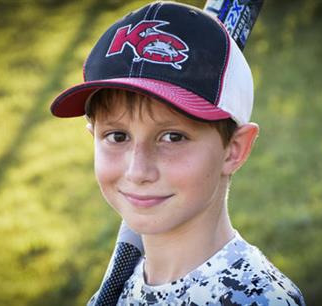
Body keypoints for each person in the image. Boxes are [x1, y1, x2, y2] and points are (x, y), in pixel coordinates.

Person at [50, 1, 305, 305]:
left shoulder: (260, 299)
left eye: (173, 137)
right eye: (117, 136)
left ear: (233, 150)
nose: (138, 171)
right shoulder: (117, 293)